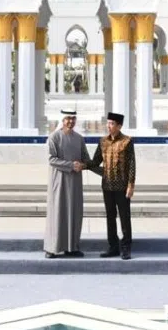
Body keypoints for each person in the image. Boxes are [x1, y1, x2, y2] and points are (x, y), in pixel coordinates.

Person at [43, 109, 93, 258]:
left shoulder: (79, 138)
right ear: (62, 120)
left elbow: (86, 158)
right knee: (57, 213)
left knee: (74, 213)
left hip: (75, 183)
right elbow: (52, 159)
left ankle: (72, 247)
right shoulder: (54, 137)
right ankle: (52, 248)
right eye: (68, 118)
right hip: (59, 181)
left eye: (73, 118)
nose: (70, 121)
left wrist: (84, 165)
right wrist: (71, 165)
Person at [92, 112, 136, 260]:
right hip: (107, 186)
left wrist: (131, 185)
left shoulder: (127, 141)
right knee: (110, 217)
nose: (109, 126)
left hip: (122, 187)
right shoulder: (103, 141)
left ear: (119, 126)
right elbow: (95, 162)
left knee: (124, 217)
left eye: (112, 124)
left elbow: (131, 164)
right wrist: (83, 165)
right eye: (108, 123)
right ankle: (113, 247)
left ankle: (126, 247)